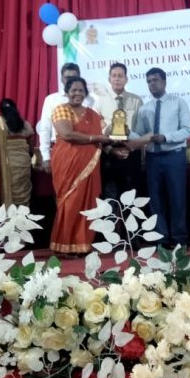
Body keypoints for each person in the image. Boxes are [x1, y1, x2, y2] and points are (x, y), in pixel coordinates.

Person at [130, 67, 190, 247]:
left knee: (177, 199)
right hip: (153, 158)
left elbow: (187, 130)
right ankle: (160, 238)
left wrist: (166, 137)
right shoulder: (144, 109)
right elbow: (139, 135)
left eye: (155, 80)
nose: (152, 84)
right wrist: (124, 133)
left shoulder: (178, 103)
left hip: (174, 156)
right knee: (155, 200)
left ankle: (179, 239)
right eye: (149, 81)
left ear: (164, 81)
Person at [50, 78, 111, 255]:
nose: (77, 93)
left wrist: (115, 147)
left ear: (85, 93)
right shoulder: (61, 109)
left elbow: (104, 136)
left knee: (89, 202)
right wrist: (94, 139)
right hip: (67, 163)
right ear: (67, 92)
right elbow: (67, 134)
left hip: (90, 164)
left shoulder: (93, 114)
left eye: (81, 90)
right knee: (70, 202)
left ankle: (83, 244)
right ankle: (65, 244)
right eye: (74, 90)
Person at [93, 62, 143, 202]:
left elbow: (141, 130)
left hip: (131, 153)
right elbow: (96, 129)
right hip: (109, 152)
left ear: (126, 79)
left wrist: (130, 147)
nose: (117, 79)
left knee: (130, 198)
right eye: (114, 76)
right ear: (109, 79)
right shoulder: (100, 101)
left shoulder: (136, 100)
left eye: (120, 76)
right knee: (110, 197)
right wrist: (110, 149)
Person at [36, 63, 94, 174]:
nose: (70, 80)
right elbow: (45, 129)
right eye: (67, 77)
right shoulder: (52, 100)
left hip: (85, 150)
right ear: (62, 79)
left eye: (74, 77)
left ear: (79, 77)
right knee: (64, 184)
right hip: (61, 150)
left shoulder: (89, 100)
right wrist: (46, 156)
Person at [0, 98, 34, 207]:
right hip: (23, 162)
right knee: (22, 189)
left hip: (4, 162)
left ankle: (7, 215)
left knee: (6, 188)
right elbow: (31, 146)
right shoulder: (24, 124)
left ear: (0, 110)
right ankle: (22, 215)